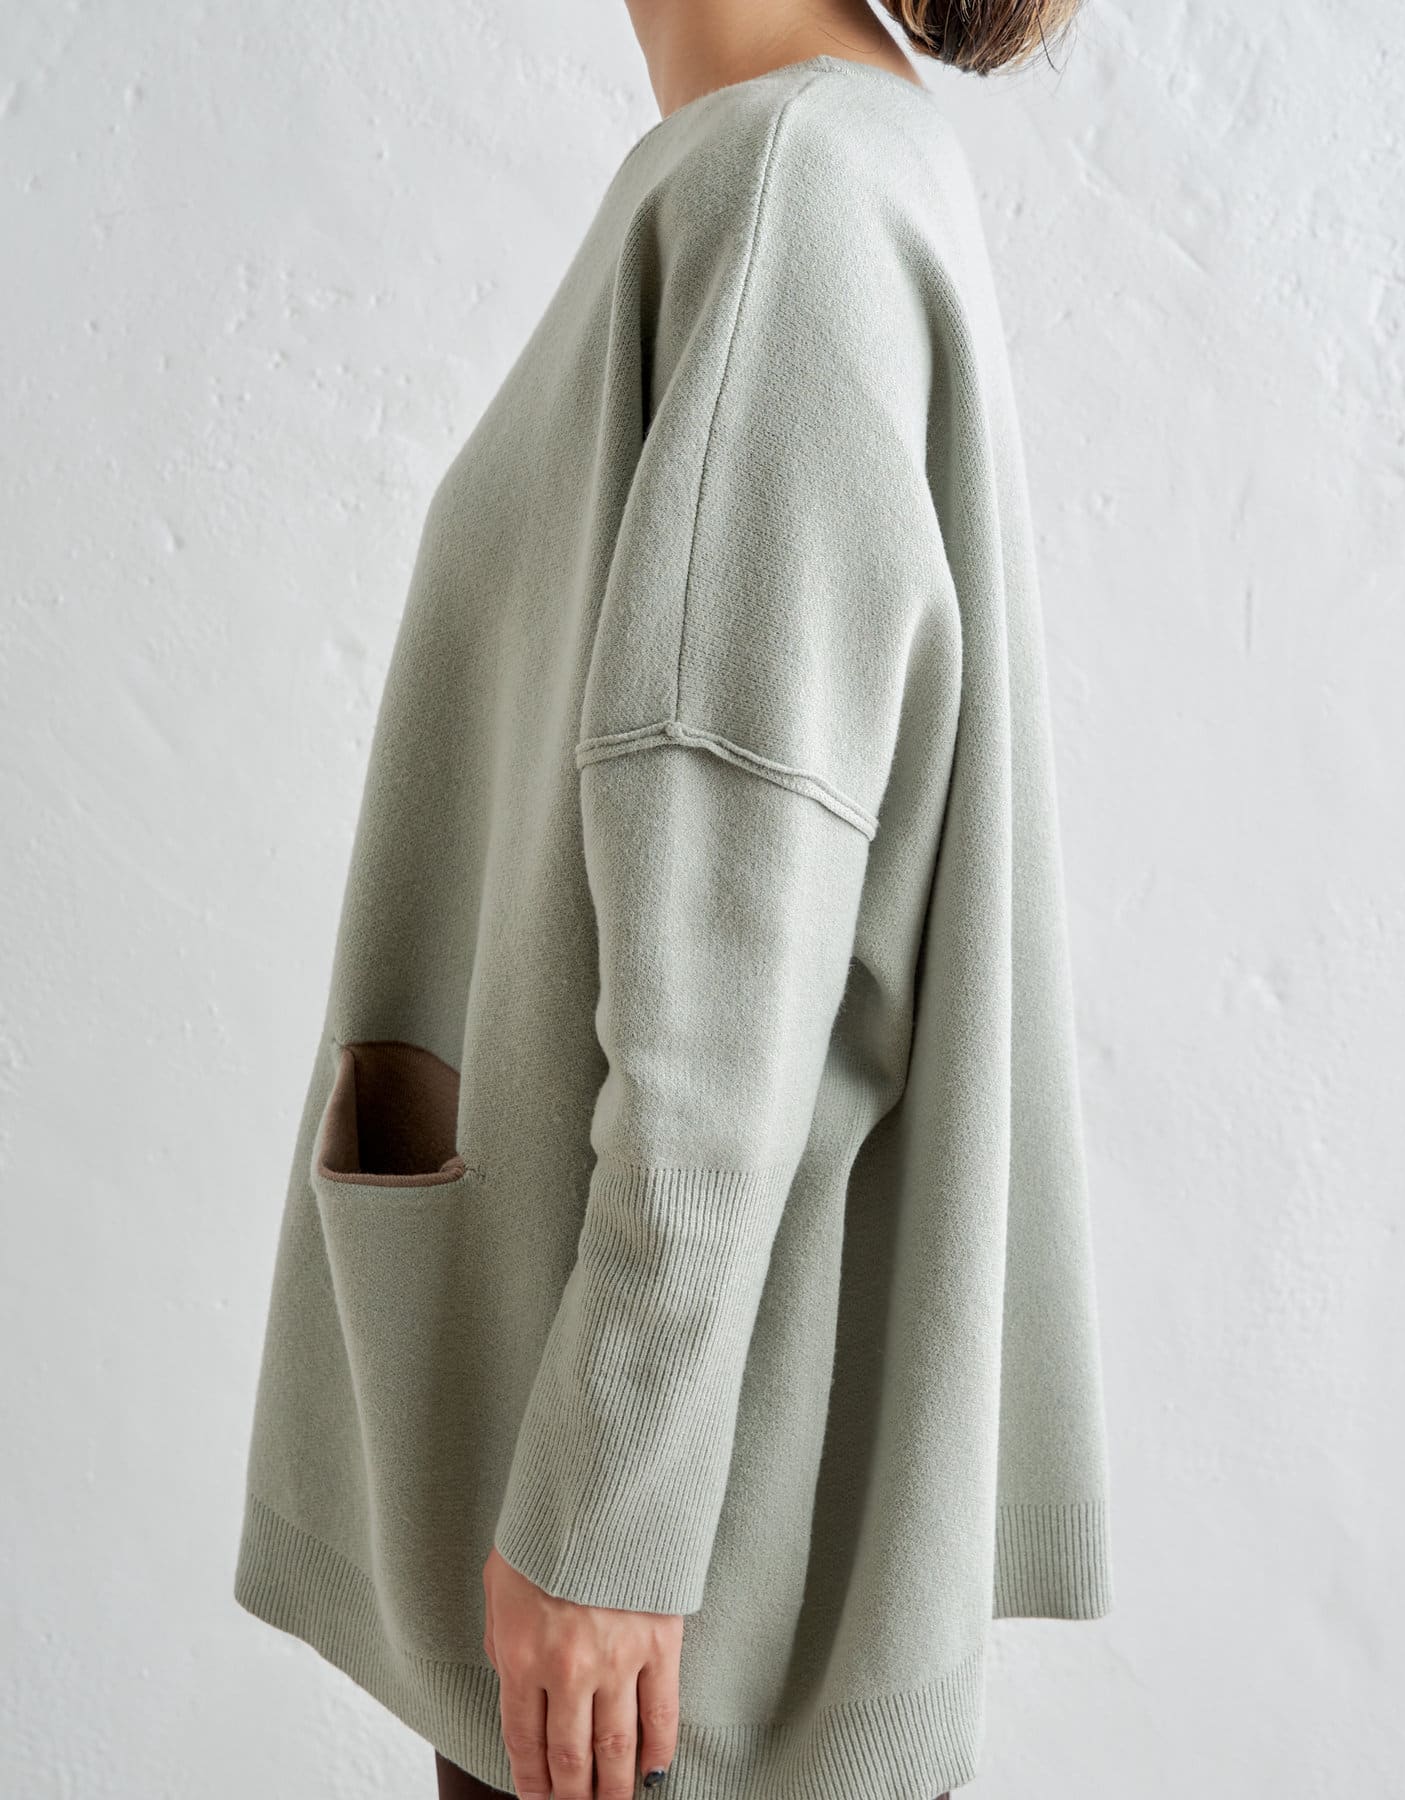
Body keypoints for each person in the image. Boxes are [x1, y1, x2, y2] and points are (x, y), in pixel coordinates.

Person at [232, 2, 1115, 1797]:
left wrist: (608, 1509)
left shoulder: (787, 193)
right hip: (693, 1589)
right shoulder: (834, 161)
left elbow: (740, 938)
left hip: (653, 1636)